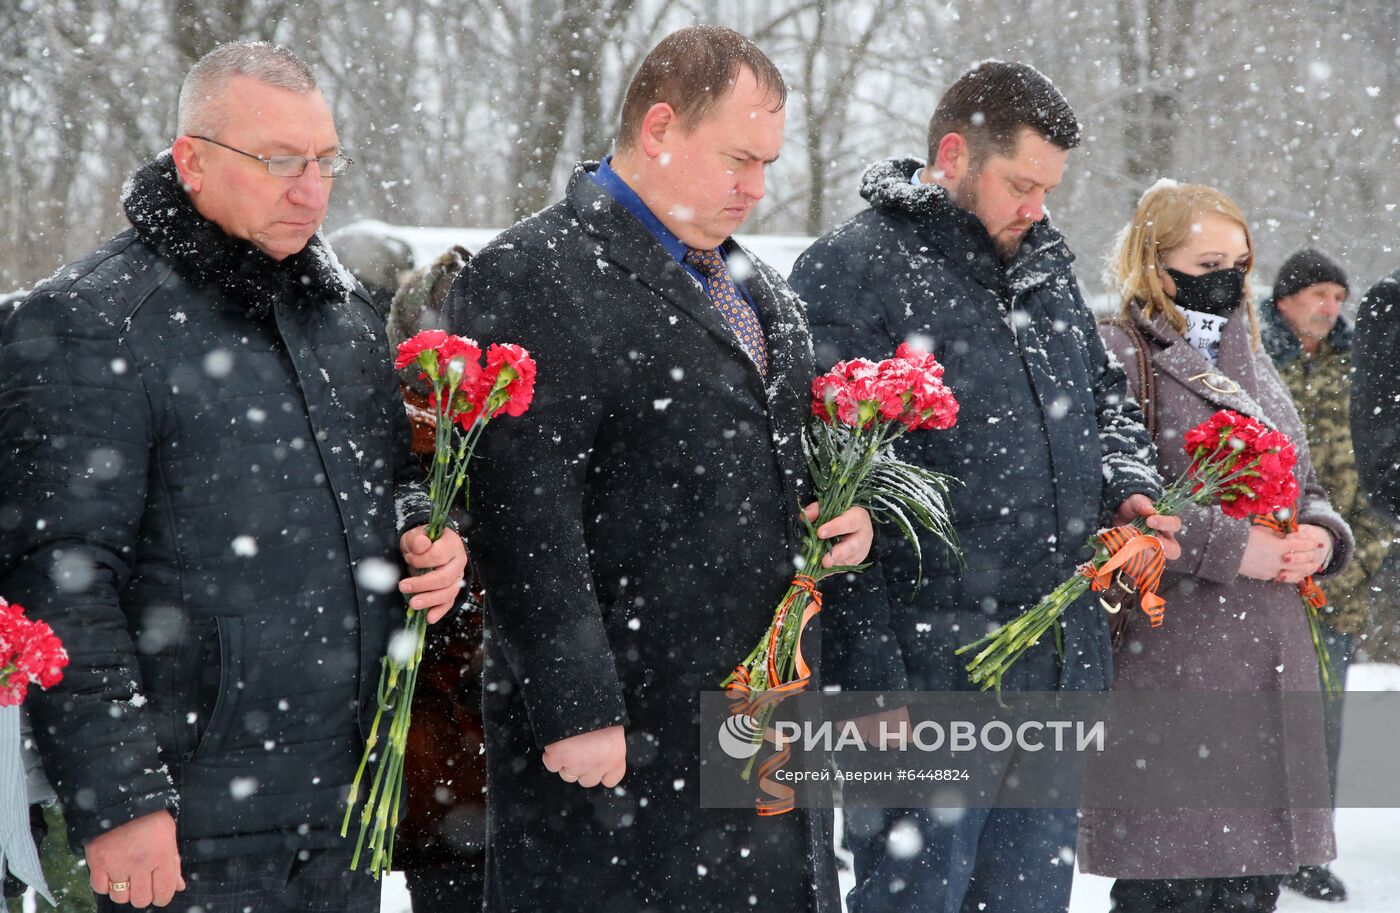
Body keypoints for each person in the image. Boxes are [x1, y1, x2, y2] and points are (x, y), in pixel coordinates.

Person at [0, 41, 467, 912]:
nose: (312, 188)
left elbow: (395, 474)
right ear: (193, 162)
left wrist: (421, 528)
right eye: (281, 161)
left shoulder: (339, 312)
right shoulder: (93, 321)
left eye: (326, 159)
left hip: (342, 802)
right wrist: (123, 800)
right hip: (188, 816)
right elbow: (60, 582)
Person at [446, 25, 895, 913]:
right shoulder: (535, 273)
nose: (758, 187)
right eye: (738, 158)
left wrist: (846, 516)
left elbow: (782, 467)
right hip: (625, 727)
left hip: (759, 707)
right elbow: (521, 513)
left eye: (768, 162)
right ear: (658, 129)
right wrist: (577, 703)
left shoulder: (762, 293)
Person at [790, 60, 1178, 913]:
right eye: (1020, 183)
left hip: (1053, 669)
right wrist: (868, 691)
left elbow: (1107, 402)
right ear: (954, 155)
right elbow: (824, 498)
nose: (1036, 206)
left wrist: (1129, 488)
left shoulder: (1044, 267)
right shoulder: (852, 272)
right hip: (924, 682)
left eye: (1049, 188)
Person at [1080, 182, 1351, 913]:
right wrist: (1236, 548)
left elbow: (1309, 482)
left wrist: (1321, 538)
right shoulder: (1118, 352)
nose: (1228, 275)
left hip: (1269, 654)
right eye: (1208, 260)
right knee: (1167, 886)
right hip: (1174, 658)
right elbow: (1120, 504)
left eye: (1240, 259)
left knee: (1248, 887)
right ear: (1157, 264)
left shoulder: (1255, 357)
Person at [1262, 247, 1392, 903]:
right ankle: (1251, 842)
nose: (1330, 307)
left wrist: (1358, 553)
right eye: (1318, 294)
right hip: (1259, 576)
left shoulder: (1359, 368)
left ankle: (1309, 850)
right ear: (1285, 299)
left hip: (1336, 580)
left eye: (1339, 298)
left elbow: (1378, 474)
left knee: (1325, 718)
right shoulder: (1251, 361)